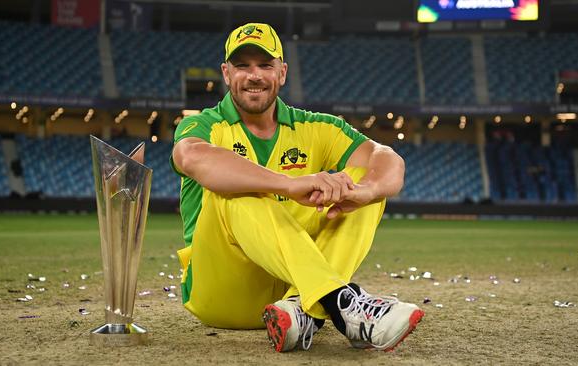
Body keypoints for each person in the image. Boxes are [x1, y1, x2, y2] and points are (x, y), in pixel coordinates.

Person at [171, 23, 423, 353]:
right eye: (243, 66)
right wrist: (289, 184)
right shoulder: (204, 124)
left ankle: (301, 311)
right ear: (226, 73)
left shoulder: (316, 126)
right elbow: (191, 156)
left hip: (290, 294)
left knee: (363, 180)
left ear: (283, 72)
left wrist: (365, 191)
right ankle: (340, 302)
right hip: (221, 291)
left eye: (265, 65)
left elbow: (387, 159)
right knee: (233, 190)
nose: (254, 75)